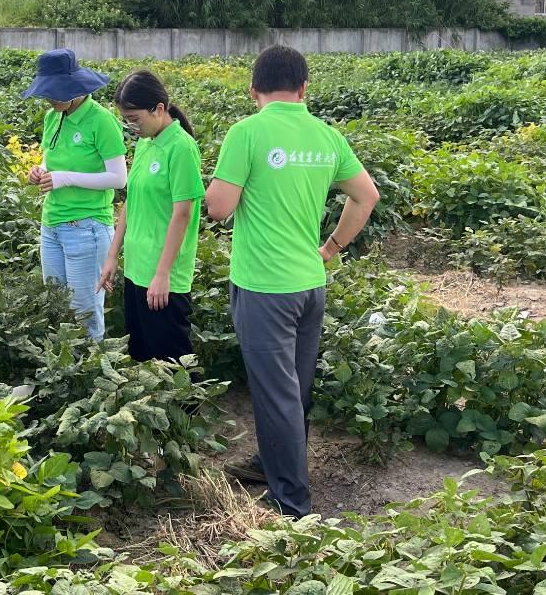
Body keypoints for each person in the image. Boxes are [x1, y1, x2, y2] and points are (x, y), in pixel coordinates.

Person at [205, 44, 380, 519]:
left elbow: (218, 209)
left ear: (252, 90)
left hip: (264, 287)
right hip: (309, 282)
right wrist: (331, 249)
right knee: (294, 389)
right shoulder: (326, 134)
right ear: (304, 88)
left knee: (275, 392)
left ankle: (294, 505)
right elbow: (366, 197)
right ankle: (273, 463)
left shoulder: (247, 132)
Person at [98, 70, 204, 362]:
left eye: (135, 119)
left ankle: (190, 409)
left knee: (171, 360)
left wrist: (162, 274)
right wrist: (112, 256)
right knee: (142, 356)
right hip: (136, 267)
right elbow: (131, 203)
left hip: (162, 274)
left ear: (158, 109)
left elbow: (182, 214)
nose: (132, 127)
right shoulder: (145, 144)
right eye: (127, 120)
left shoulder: (181, 148)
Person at [22, 48, 127, 339]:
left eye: (55, 93)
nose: (50, 99)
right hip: (52, 225)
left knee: (85, 313)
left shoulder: (101, 121)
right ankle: (64, 379)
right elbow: (51, 160)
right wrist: (39, 171)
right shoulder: (52, 118)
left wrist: (65, 179)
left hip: (87, 228)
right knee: (56, 308)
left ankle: (91, 377)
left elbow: (118, 178)